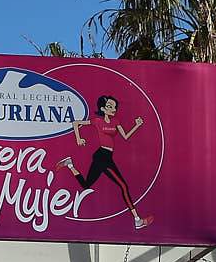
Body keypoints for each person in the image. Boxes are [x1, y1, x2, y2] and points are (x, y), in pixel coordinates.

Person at [59, 94, 154, 229]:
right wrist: (78, 138)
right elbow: (76, 123)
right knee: (123, 186)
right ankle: (137, 220)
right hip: (102, 156)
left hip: (106, 156)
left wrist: (136, 125)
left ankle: (70, 165)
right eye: (110, 106)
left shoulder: (116, 121)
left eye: (114, 106)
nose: (113, 109)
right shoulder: (98, 121)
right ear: (103, 109)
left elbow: (125, 137)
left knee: (86, 185)